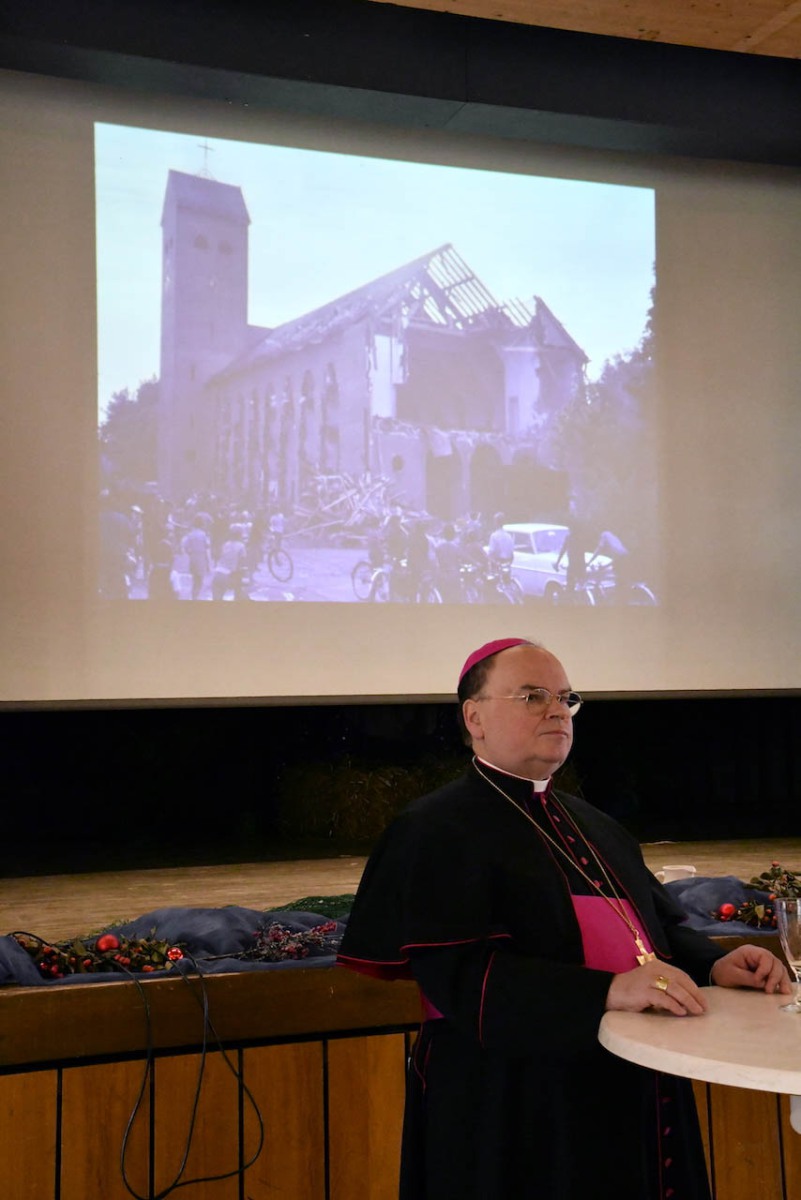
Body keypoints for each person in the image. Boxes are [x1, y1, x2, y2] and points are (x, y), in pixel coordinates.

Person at [337, 637, 790, 1200]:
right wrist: (607, 991)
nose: (556, 710)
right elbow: (460, 975)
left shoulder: (596, 825)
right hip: (512, 1099)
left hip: (629, 1081)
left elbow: (657, 930)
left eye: (565, 697)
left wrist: (717, 964)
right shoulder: (433, 830)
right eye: (532, 696)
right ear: (474, 718)